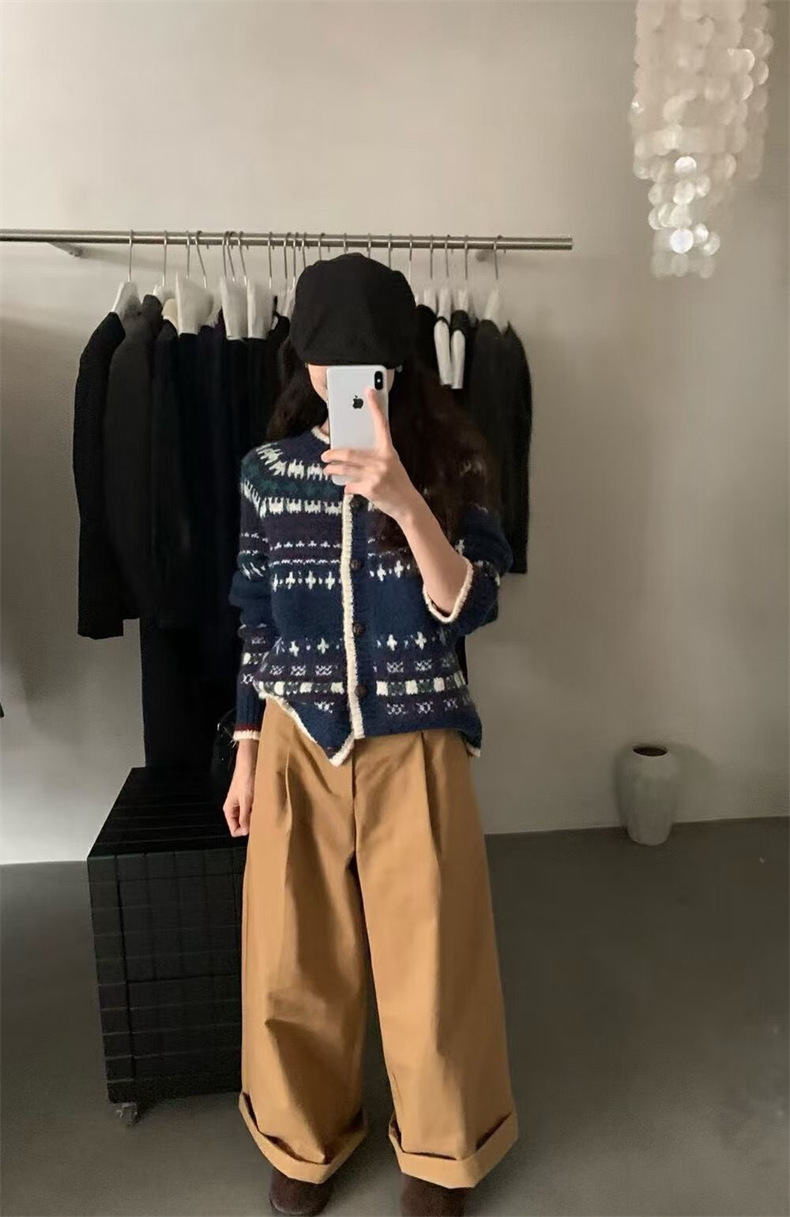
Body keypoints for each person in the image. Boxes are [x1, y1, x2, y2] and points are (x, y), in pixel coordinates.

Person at [223, 253, 517, 1217]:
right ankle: (301, 1138)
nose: (343, 377)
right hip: (295, 740)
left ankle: (441, 1147)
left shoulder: (455, 460)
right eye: (327, 360)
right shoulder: (267, 472)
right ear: (301, 360)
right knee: (291, 953)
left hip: (416, 741)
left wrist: (404, 501)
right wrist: (246, 751)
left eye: (364, 362)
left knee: (432, 957)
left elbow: (472, 603)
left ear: (397, 362)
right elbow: (255, 621)